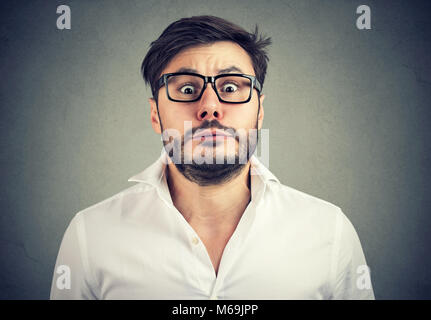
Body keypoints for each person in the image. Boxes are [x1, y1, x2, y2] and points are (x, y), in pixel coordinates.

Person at [50, 15, 375, 300]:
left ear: (259, 110)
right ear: (155, 114)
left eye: (232, 87)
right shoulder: (90, 236)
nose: (210, 106)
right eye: (187, 89)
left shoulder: (329, 231)